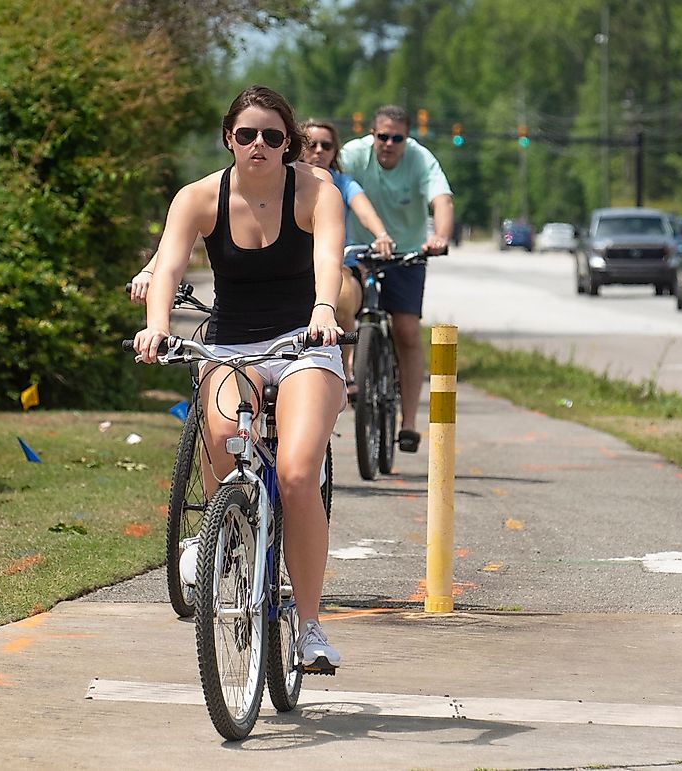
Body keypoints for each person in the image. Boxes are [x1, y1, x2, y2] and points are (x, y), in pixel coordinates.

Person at [132, 85, 346, 674]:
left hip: (305, 344)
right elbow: (169, 263)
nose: (259, 145)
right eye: (247, 134)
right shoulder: (199, 198)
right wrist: (156, 329)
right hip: (231, 344)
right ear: (229, 138)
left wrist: (324, 310)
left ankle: (308, 626)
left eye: (273, 137)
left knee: (298, 472)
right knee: (225, 441)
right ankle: (228, 535)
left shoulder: (316, 192)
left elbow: (328, 258)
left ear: (289, 144)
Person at [338, 105, 454, 454]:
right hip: (358, 252)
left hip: (407, 254)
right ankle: (351, 373)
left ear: (407, 138)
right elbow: (331, 181)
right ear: (372, 134)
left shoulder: (420, 159)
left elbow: (442, 199)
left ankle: (408, 423)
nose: (388, 143)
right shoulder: (353, 155)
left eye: (397, 138)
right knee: (342, 307)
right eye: (382, 136)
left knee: (405, 330)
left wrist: (440, 237)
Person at [300, 118, 394, 393]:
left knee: (340, 295)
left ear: (334, 151)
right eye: (311, 144)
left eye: (326, 145)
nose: (318, 151)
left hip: (341, 265)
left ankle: (345, 368)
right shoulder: (286, 180)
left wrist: (381, 235)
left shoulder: (343, 183)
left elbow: (363, 210)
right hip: (296, 269)